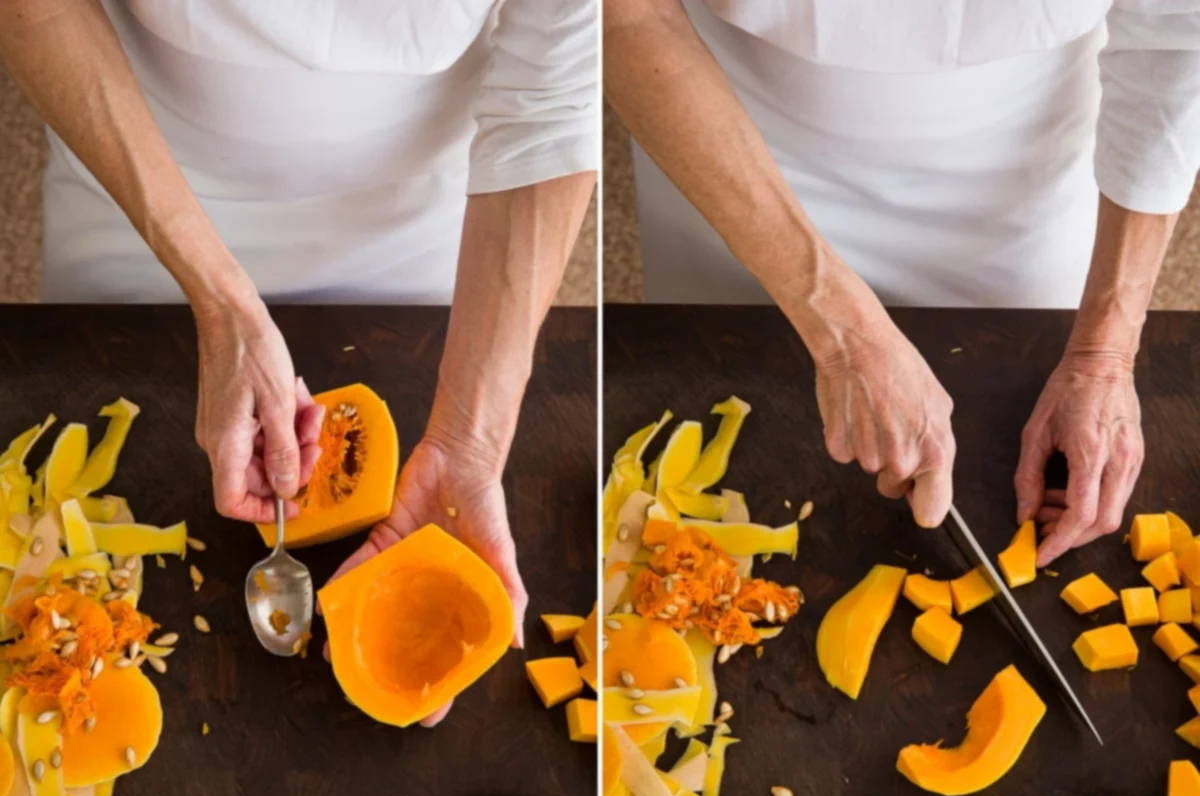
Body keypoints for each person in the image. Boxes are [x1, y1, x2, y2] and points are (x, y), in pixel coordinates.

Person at [1, 0, 597, 725]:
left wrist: (470, 441)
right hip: (138, 179)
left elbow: (555, 97)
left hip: (425, 212)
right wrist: (220, 301)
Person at [605, 0, 1200, 567]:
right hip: (735, 140)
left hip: (1025, 159)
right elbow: (627, 15)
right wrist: (844, 334)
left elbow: (1178, 25)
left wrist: (1104, 352)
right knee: (731, 410)